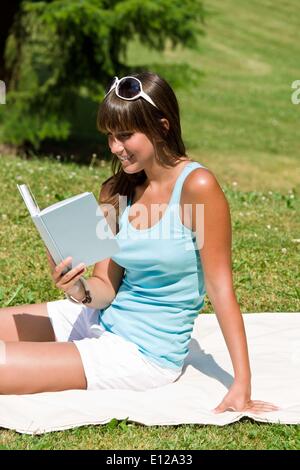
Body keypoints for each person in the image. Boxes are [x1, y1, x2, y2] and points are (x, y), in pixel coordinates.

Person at [0, 72, 278, 414]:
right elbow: (104, 288)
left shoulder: (198, 187)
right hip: (98, 318)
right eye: (110, 137)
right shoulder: (117, 191)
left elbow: (221, 289)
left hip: (139, 353)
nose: (115, 147)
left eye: (125, 135)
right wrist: (76, 287)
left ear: (162, 126)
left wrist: (242, 385)